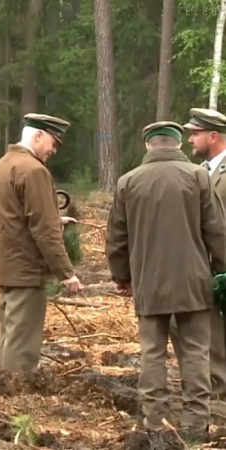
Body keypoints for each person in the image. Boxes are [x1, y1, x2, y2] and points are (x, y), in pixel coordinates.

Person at [106, 121, 226, 436]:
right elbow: (216, 230)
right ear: (177, 145)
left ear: (148, 146)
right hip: (193, 282)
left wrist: (123, 277)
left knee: (152, 352)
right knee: (196, 352)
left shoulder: (127, 182)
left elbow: (117, 238)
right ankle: (196, 422)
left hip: (148, 283)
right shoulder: (199, 177)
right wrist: (223, 268)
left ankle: (155, 420)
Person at [0, 113, 82, 373]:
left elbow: (13, 215)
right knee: (22, 345)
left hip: (8, 265)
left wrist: (56, 219)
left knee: (10, 336)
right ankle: (18, 400)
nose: (54, 150)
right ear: (38, 135)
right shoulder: (34, 170)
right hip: (26, 269)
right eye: (53, 142)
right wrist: (66, 272)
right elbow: (44, 230)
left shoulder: (5, 164)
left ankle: (8, 390)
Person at [168, 108, 226, 398]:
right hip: (198, 265)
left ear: (213, 136)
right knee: (180, 324)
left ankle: (218, 388)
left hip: (220, 264)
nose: (190, 140)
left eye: (196, 134)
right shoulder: (200, 172)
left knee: (214, 330)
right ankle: (197, 382)